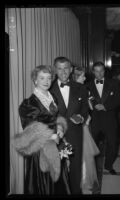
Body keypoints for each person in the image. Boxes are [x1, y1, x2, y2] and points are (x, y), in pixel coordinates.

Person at [17, 65, 70, 194]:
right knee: (45, 183)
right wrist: (51, 136)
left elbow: (55, 117)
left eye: (49, 78)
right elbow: (30, 129)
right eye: (42, 78)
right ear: (35, 80)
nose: (46, 81)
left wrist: (59, 128)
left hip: (56, 143)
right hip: (40, 149)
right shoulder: (29, 103)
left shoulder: (52, 97)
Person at [50, 57, 89, 194]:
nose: (63, 72)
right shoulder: (48, 88)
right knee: (56, 167)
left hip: (75, 132)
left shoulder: (81, 88)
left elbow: (85, 107)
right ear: (55, 70)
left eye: (66, 68)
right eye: (59, 68)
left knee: (75, 166)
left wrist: (82, 116)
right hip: (55, 134)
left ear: (71, 69)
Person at [87, 62, 120, 175]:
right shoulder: (87, 85)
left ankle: (108, 165)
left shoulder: (113, 83)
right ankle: (90, 168)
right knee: (91, 145)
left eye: (101, 70)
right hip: (94, 120)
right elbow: (84, 100)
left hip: (110, 118)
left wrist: (105, 106)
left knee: (112, 145)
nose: (99, 73)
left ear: (105, 71)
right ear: (93, 71)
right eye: (96, 71)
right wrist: (92, 104)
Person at [72, 66, 100, 194]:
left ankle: (84, 181)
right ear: (76, 77)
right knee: (81, 155)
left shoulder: (84, 89)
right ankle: (79, 181)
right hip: (77, 127)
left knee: (85, 156)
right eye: (82, 76)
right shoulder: (73, 90)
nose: (85, 78)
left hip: (84, 125)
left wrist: (90, 100)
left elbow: (90, 107)